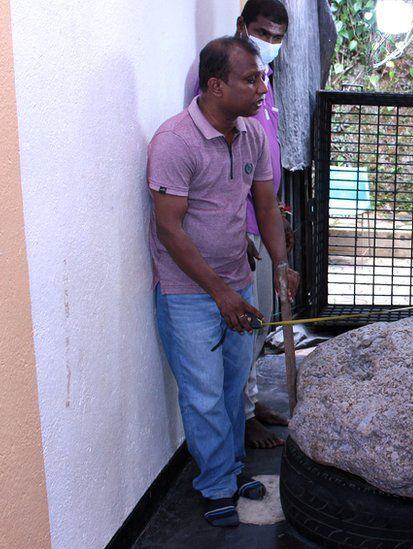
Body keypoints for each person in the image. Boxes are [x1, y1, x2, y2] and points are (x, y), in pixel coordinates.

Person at [149, 35, 300, 527]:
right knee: (203, 393)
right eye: (252, 79)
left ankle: (232, 471)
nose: (263, 87)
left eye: (263, 77)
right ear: (215, 86)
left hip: (237, 281)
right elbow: (168, 228)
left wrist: (279, 266)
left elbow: (265, 206)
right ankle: (215, 484)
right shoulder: (174, 141)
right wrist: (220, 292)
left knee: (234, 389)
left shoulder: (252, 133)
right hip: (189, 293)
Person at [234, 0, 292, 450]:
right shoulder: (225, 80)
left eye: (276, 37)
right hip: (241, 227)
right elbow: (222, 160)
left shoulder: (264, 81)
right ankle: (242, 416)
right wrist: (236, 227)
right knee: (246, 321)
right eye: (262, 33)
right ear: (242, 27)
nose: (269, 43)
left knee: (265, 318)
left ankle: (252, 404)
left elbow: (264, 157)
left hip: (265, 215)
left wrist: (276, 217)